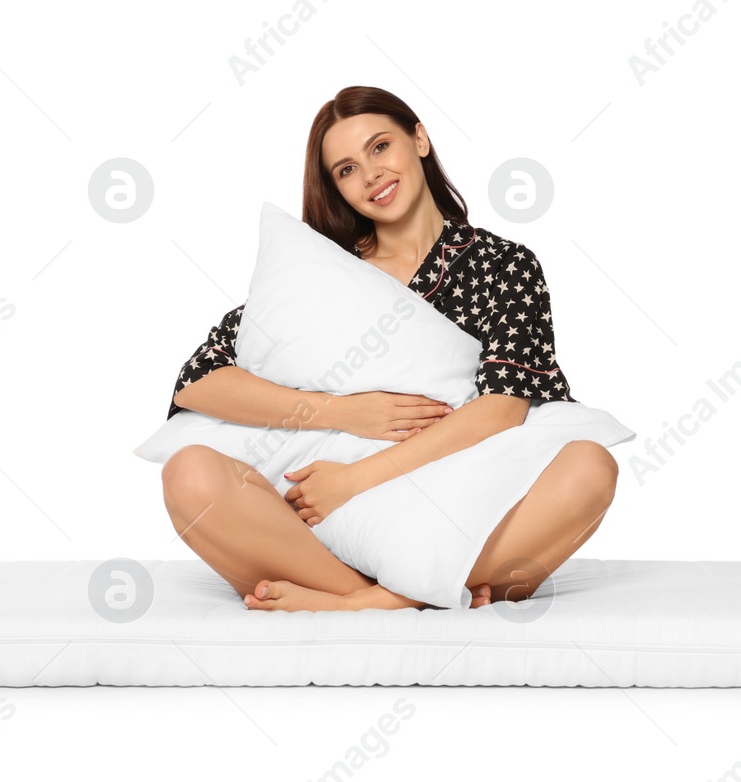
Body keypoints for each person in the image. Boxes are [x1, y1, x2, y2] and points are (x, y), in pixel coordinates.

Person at [161, 86, 619, 612]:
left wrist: (354, 480)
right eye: (347, 170)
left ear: (419, 139)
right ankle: (385, 597)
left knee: (590, 467)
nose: (371, 174)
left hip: (454, 507)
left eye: (380, 147)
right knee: (189, 474)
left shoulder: (504, 265)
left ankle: (372, 603)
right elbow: (199, 380)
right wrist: (345, 413)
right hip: (317, 525)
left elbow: (505, 406)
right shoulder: (325, 272)